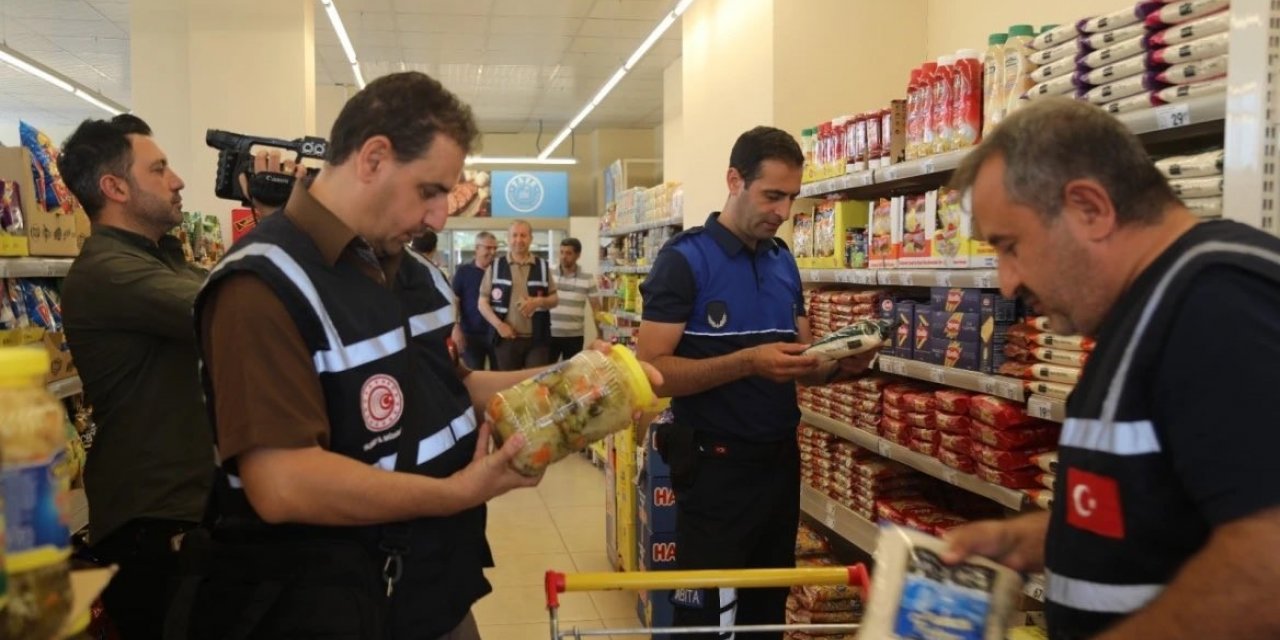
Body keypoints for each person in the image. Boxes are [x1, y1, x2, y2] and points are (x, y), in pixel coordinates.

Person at [169, 71, 608, 639]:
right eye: (429, 191)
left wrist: (576, 373)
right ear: (373, 158)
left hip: (433, 585)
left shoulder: (415, 275)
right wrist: (457, 493)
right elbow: (282, 481)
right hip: (332, 604)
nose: (439, 218)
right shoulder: (261, 287)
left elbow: (457, 387)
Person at [943, 98, 1280, 640]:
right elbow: (1171, 507)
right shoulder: (1152, 306)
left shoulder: (1218, 302)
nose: (1006, 282)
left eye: (1010, 246)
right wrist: (1051, 539)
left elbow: (1268, 567)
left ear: (1090, 209)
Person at [636, 126, 877, 639]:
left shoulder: (783, 259)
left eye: (792, 198)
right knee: (708, 619)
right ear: (733, 180)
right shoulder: (684, 261)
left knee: (766, 613)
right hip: (713, 468)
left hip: (779, 465)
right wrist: (746, 363)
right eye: (772, 195)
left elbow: (800, 360)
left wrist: (843, 363)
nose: (783, 212)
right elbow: (651, 372)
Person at [56, 114, 213, 638]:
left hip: (177, 513)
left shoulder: (155, 260)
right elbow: (229, 308)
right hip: (153, 525)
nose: (178, 180)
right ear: (115, 187)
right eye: (160, 169)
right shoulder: (110, 271)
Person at [477, 219, 558, 370]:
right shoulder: (495, 266)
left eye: (523, 235)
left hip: (537, 340)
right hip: (506, 340)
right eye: (514, 235)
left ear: (531, 239)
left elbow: (554, 299)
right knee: (509, 386)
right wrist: (499, 325)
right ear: (508, 238)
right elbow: (482, 302)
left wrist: (539, 302)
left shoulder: (542, 266)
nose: (518, 240)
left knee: (535, 384)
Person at [548, 237, 602, 362]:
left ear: (578, 255)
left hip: (574, 336)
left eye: (568, 253)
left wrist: (600, 333)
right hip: (550, 335)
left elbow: (596, 308)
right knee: (546, 374)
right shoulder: (549, 274)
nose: (563, 256)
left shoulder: (587, 278)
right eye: (561, 252)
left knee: (572, 374)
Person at [452, 231, 499, 370]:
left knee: (499, 376)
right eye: (488, 248)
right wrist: (455, 327)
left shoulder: (500, 271)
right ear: (476, 249)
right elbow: (455, 300)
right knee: (473, 375)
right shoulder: (463, 271)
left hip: (497, 334)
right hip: (470, 335)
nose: (492, 252)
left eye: (495, 248)